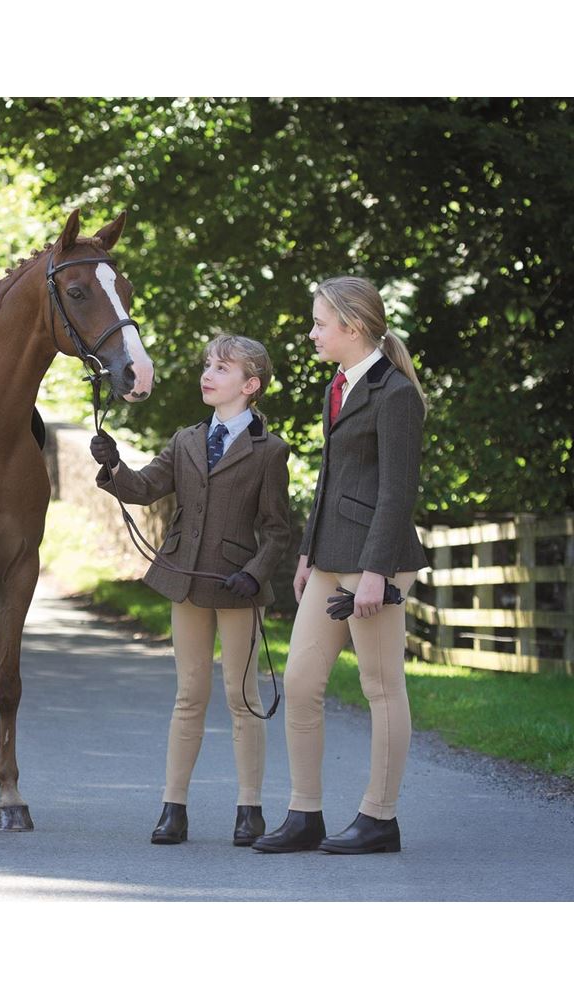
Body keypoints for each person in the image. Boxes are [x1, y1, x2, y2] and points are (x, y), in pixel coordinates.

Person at [91, 335, 291, 846]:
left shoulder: (271, 452)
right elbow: (142, 488)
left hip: (237, 585)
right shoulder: (185, 441)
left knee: (241, 696)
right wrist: (113, 465)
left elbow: (277, 530)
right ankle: (173, 808)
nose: (208, 374)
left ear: (250, 386)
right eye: (207, 364)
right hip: (185, 579)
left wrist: (257, 572)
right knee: (189, 695)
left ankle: (250, 809)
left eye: (221, 368)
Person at [252, 276, 428, 855]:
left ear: (352, 326)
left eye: (320, 323)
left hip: (375, 562)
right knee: (301, 684)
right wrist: (307, 552)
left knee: (382, 688)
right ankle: (305, 816)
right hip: (329, 556)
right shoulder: (340, 385)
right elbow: (334, 479)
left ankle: (380, 818)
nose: (312, 332)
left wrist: (375, 572)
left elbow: (397, 492)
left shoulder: (395, 393)